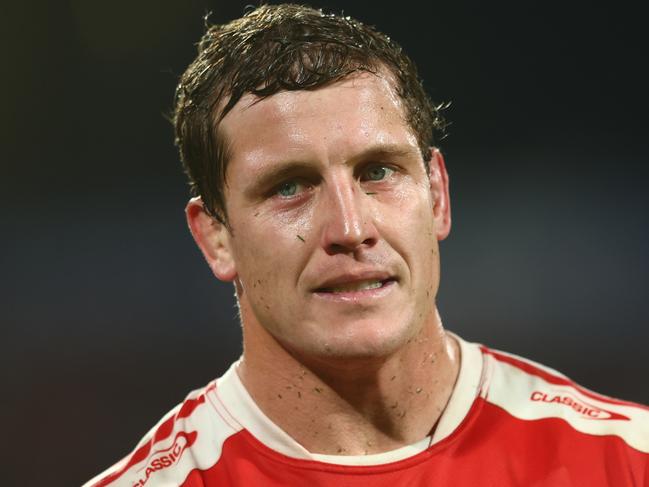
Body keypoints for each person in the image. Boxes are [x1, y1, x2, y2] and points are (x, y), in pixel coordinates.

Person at [84, 4, 649, 486]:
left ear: (437, 197)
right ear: (216, 237)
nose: (350, 229)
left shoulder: (626, 461)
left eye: (378, 171)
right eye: (289, 187)